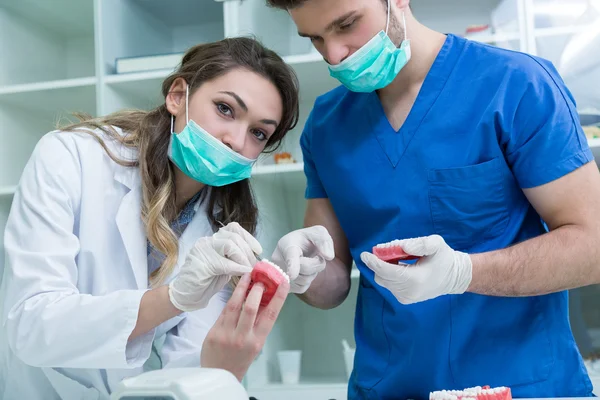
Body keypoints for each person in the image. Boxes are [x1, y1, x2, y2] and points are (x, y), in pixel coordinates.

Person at [264, 0, 600, 398]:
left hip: (519, 384)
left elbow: (592, 246)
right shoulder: (326, 124)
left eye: (347, 24)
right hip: (389, 388)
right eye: (315, 38)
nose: (334, 55)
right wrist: (302, 271)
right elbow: (332, 282)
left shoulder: (515, 85)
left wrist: (464, 272)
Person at [0, 37, 299, 399]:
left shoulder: (223, 221)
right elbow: (30, 325)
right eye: (224, 108)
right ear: (177, 96)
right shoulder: (70, 158)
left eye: (258, 133)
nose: (236, 140)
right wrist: (173, 297)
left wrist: (260, 295)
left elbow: (189, 370)